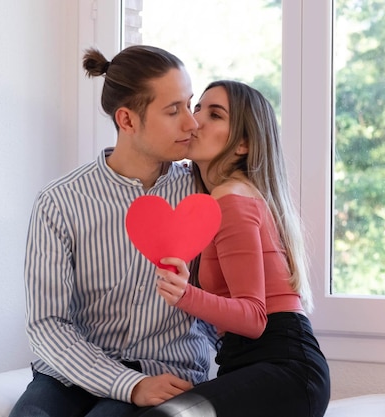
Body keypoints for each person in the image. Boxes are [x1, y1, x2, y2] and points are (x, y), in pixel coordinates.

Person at [9, 45, 216, 417]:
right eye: (174, 110)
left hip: (165, 370)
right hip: (69, 375)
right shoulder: (60, 201)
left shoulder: (201, 194)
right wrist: (127, 385)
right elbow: (46, 323)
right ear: (127, 120)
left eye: (190, 104)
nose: (192, 122)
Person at [140, 80, 331, 417]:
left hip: (285, 368)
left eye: (215, 115)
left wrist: (185, 294)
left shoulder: (231, 198)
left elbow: (255, 318)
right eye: (197, 108)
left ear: (242, 144)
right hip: (249, 363)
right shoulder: (224, 197)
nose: (196, 120)